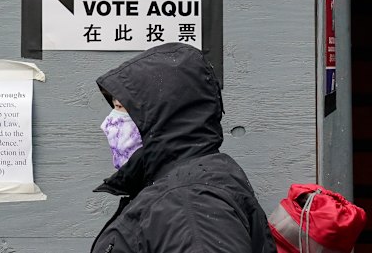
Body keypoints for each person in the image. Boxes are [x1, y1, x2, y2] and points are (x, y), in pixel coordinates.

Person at [91, 43, 276, 253]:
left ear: (163, 115)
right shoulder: (184, 190)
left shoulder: (189, 203)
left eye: (120, 108)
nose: (107, 123)